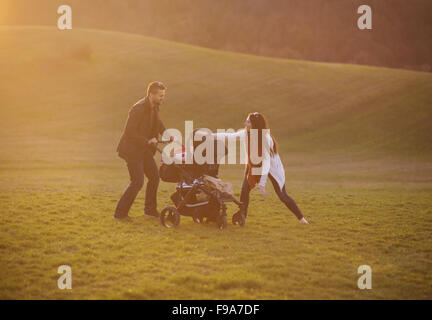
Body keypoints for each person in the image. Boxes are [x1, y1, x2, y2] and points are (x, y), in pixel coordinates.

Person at [213, 112, 309, 224]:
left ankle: (302, 219)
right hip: (253, 164)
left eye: (248, 122)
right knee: (244, 190)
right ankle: (242, 216)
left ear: (255, 124)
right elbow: (230, 136)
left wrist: (262, 184)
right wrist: (211, 135)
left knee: (282, 196)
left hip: (272, 168)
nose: (245, 123)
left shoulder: (265, 139)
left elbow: (266, 163)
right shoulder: (246, 133)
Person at [114, 81, 171, 219]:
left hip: (144, 149)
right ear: (151, 94)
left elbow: (157, 122)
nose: (162, 99)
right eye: (160, 96)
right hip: (132, 150)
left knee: (154, 177)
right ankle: (120, 214)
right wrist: (147, 141)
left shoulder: (154, 107)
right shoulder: (138, 108)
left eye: (163, 96)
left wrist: (166, 133)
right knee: (137, 181)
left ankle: (150, 210)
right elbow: (129, 132)